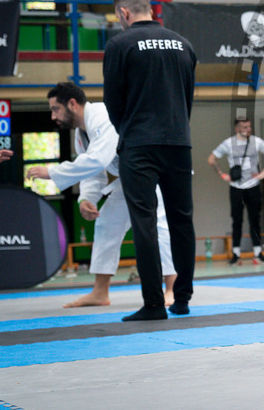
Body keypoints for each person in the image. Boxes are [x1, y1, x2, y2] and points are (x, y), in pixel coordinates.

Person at [26, 82, 177, 308]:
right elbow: (93, 172)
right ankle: (100, 292)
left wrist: (52, 171)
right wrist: (87, 199)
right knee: (106, 224)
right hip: (130, 178)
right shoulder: (81, 133)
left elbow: (97, 159)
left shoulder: (102, 116)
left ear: (72, 104)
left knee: (158, 227)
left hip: (155, 173)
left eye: (55, 109)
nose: (52, 116)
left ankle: (171, 290)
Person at [103, 0, 197, 321]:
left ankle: (154, 304)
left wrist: (128, 128)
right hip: (178, 140)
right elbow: (187, 96)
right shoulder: (183, 43)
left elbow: (113, 100)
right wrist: (176, 128)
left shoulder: (119, 44)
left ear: (124, 14)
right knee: (181, 220)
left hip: (139, 143)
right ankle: (182, 299)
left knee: (144, 223)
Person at [208, 119, 264, 265]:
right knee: (236, 220)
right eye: (245, 127)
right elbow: (211, 159)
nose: (248, 129)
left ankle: (258, 253)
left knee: (255, 220)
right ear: (237, 129)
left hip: (253, 185)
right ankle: (236, 254)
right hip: (236, 187)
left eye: (249, 126)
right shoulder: (228, 143)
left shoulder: (256, 141)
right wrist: (222, 174)